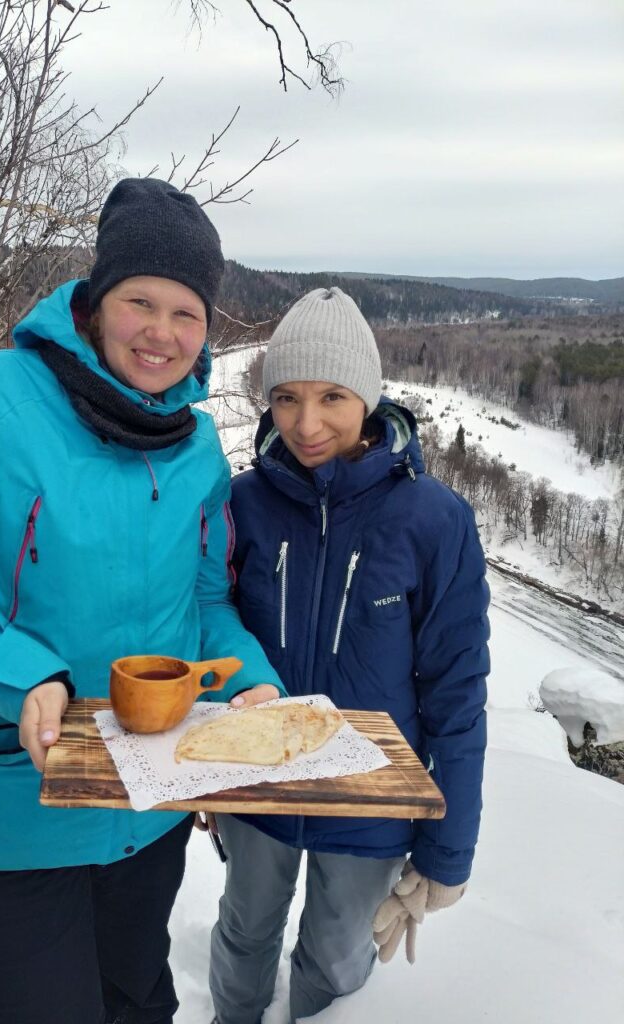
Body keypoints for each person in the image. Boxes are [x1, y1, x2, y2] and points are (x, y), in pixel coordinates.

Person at [0, 177, 282, 1024]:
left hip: (146, 811)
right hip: (15, 808)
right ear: (94, 302)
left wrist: (248, 684)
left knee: (137, 1005)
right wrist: (26, 676)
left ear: (208, 329)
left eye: (186, 312)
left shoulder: (196, 448)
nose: (161, 332)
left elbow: (202, 603)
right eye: (140, 301)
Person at [208, 287, 490, 1024]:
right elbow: (210, 634)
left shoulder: (433, 519)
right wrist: (207, 766)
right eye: (287, 397)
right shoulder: (242, 504)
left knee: (336, 959)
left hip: (372, 804)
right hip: (258, 791)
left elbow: (458, 692)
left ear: (368, 396)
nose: (307, 424)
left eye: (333, 396)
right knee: (243, 934)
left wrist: (445, 851)